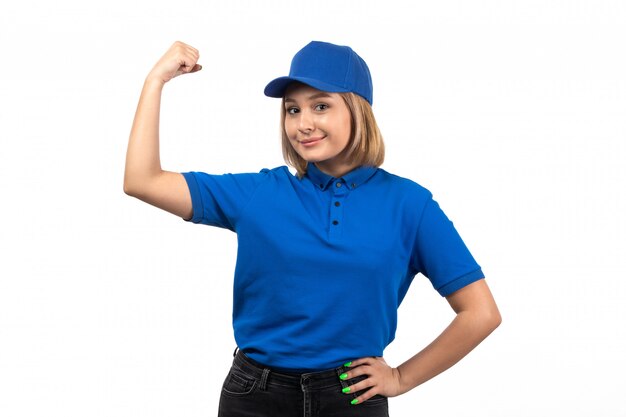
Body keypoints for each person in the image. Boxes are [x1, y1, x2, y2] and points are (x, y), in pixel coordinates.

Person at [124, 40, 501, 417]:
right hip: (256, 396)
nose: (303, 123)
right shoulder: (260, 193)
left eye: (321, 106)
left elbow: (480, 312)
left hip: (352, 398)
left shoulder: (409, 205)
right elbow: (142, 180)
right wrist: (155, 80)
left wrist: (401, 378)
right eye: (292, 109)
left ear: (358, 109)